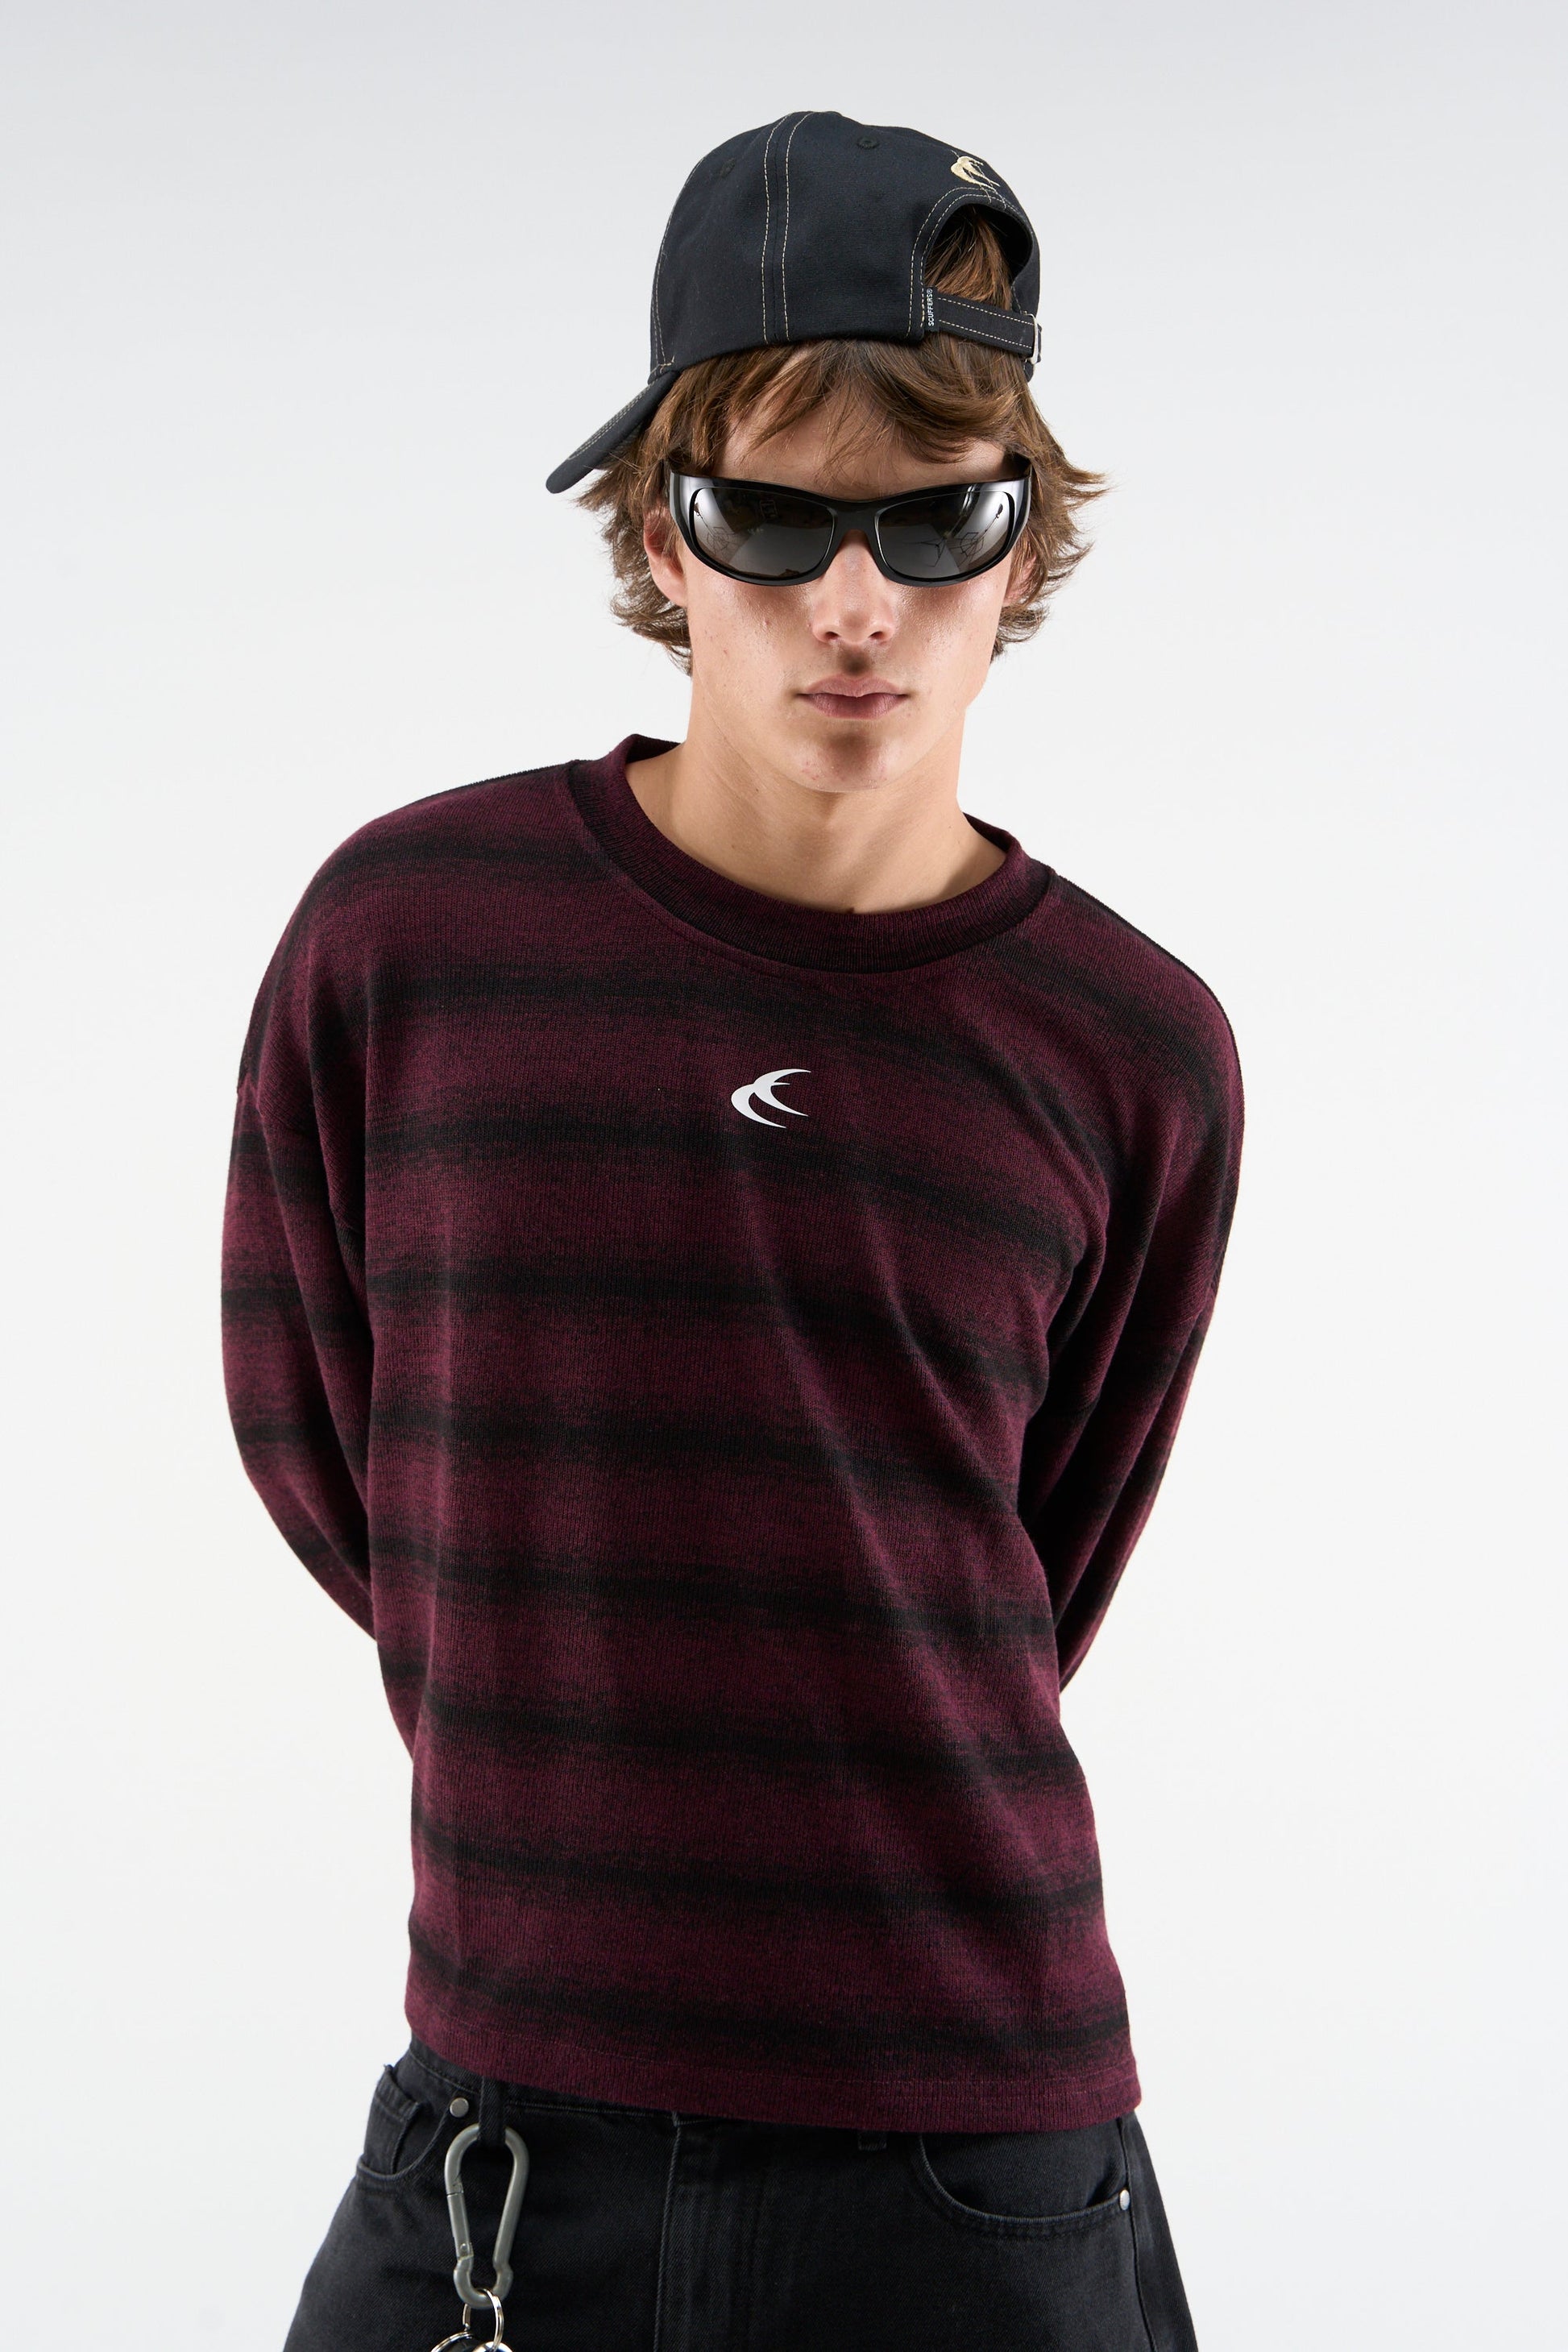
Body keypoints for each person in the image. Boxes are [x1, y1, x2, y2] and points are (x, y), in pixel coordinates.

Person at [222, 110, 1243, 2352]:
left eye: (935, 519)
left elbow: (1025, 1565)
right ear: (656, 530)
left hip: (966, 2153)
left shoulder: (1130, 1046)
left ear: (1020, 544)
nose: (854, 604)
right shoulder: (411, 938)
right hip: (502, 2130)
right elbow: (328, 1449)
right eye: (772, 519)